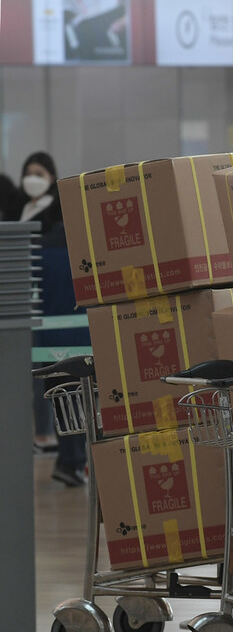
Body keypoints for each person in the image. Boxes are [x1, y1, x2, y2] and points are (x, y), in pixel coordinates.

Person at [17, 152, 90, 486]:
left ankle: (70, 460)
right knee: (79, 398)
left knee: (59, 398)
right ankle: (73, 461)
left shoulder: (38, 247)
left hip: (47, 339)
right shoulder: (80, 248)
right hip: (78, 338)